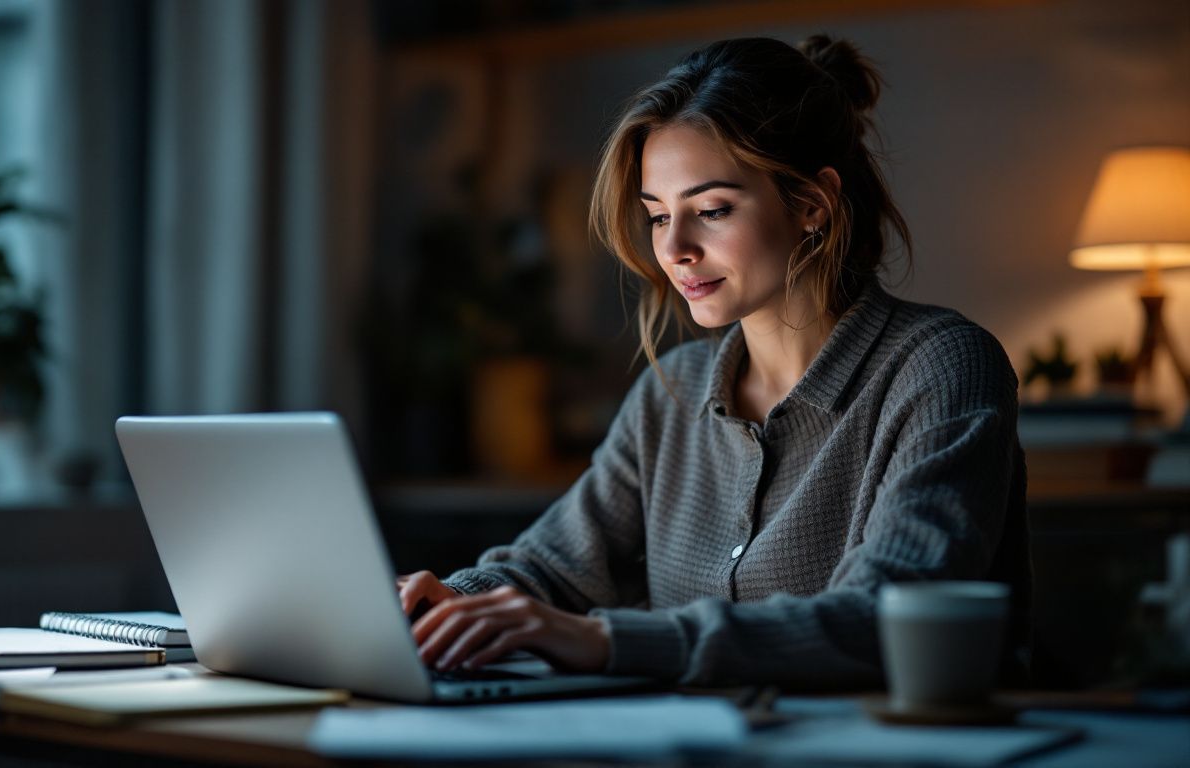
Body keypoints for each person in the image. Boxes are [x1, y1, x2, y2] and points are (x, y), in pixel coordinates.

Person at [397, 35, 1029, 688]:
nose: (673, 248)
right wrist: (449, 600)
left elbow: (886, 619)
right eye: (658, 215)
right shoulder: (671, 392)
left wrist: (604, 639)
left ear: (812, 204)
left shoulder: (944, 368)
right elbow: (552, 566)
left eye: (711, 210)